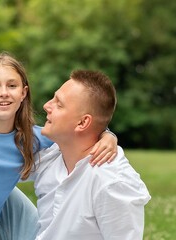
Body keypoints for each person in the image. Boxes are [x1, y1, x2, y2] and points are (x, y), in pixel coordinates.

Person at [0, 52, 119, 239]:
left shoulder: (33, 137)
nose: (4, 92)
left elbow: (80, 131)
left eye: (12, 85)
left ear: (23, 93)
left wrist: (107, 135)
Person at [31, 70, 151, 240]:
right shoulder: (53, 154)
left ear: (83, 122)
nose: (46, 106)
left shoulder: (112, 181)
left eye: (59, 104)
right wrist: (107, 133)